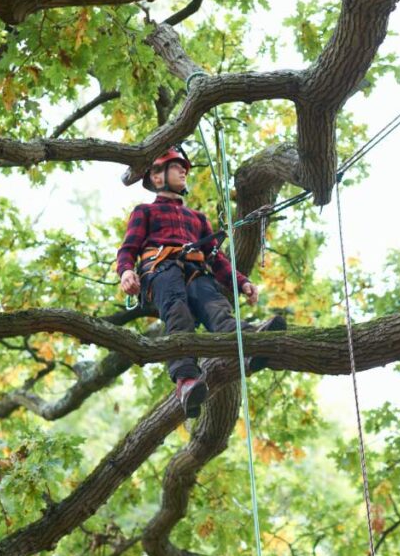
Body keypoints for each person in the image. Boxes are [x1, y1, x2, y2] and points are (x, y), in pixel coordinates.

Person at [117, 145, 283, 418]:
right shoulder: (144, 211)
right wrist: (126, 272)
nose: (184, 171)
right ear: (157, 177)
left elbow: (217, 260)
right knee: (177, 309)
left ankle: (249, 347)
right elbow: (128, 248)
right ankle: (186, 380)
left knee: (216, 307)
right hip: (160, 270)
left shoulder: (198, 219)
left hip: (196, 271)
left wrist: (241, 283)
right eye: (176, 166)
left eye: (183, 167)